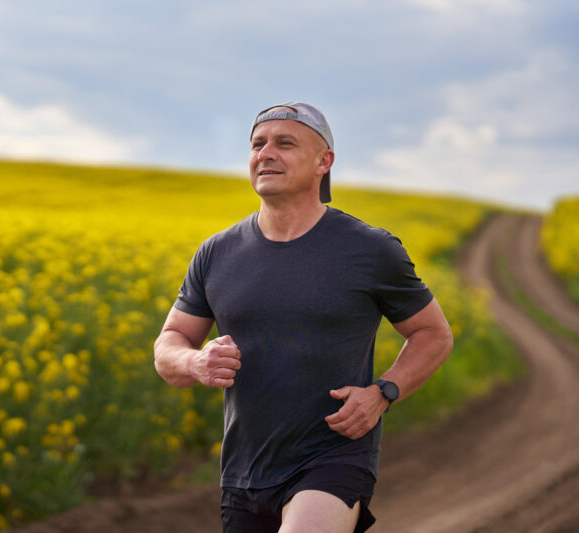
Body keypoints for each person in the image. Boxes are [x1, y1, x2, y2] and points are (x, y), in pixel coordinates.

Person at [153, 102, 453, 533]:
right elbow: (169, 344)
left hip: (333, 457)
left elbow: (433, 334)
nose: (266, 153)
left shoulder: (369, 250)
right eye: (258, 144)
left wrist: (383, 392)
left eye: (285, 143)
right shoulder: (216, 253)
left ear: (323, 162)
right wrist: (194, 361)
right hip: (243, 471)